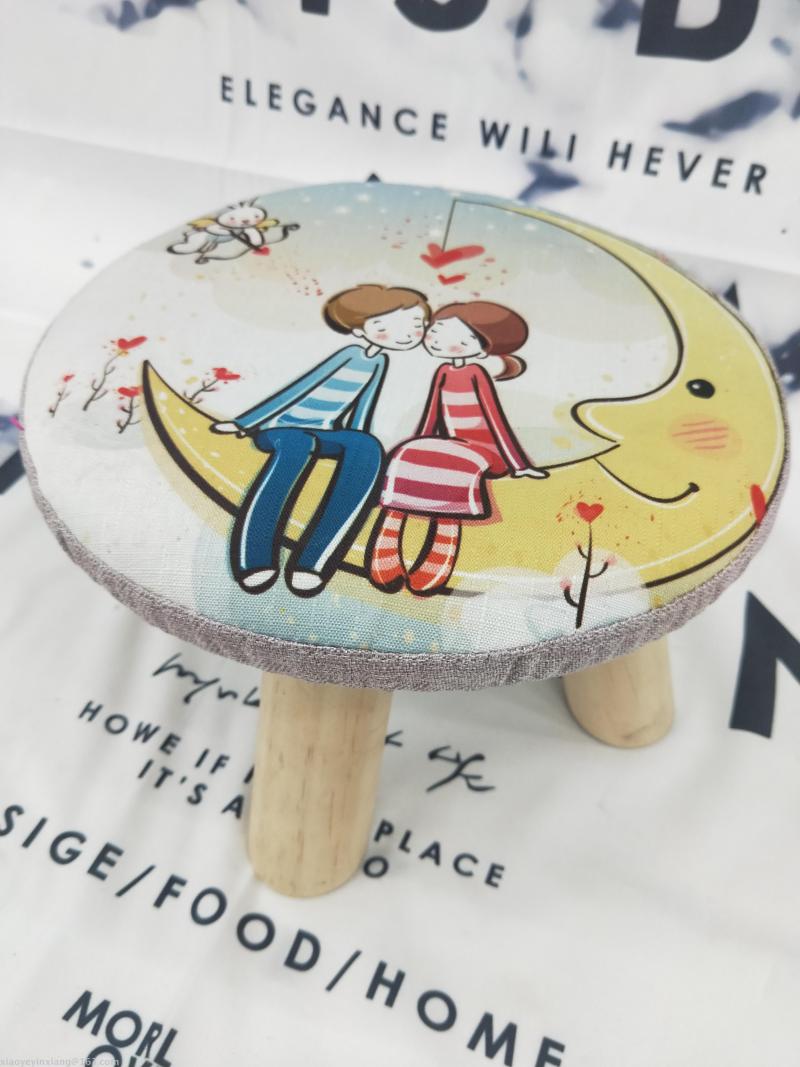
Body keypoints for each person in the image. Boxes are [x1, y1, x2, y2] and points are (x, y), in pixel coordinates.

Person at [212, 284, 430, 596]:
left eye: (416, 325)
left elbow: (364, 402)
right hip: (283, 428)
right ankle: (254, 560)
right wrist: (244, 424)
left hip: (325, 430)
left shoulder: (378, 362)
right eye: (385, 326)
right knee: (298, 447)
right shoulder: (347, 354)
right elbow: (299, 389)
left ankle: (313, 562)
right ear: (359, 330)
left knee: (367, 449)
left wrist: (358, 437)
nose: (406, 334)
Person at [368, 300, 548, 597]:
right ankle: (387, 540)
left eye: (461, 339)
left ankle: (440, 552)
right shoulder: (443, 372)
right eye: (436, 331)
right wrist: (415, 443)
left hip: (484, 450)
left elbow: (495, 420)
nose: (439, 340)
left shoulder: (476, 373)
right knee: (406, 456)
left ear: (481, 349)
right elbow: (433, 412)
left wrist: (519, 464)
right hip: (450, 443)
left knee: (453, 468)